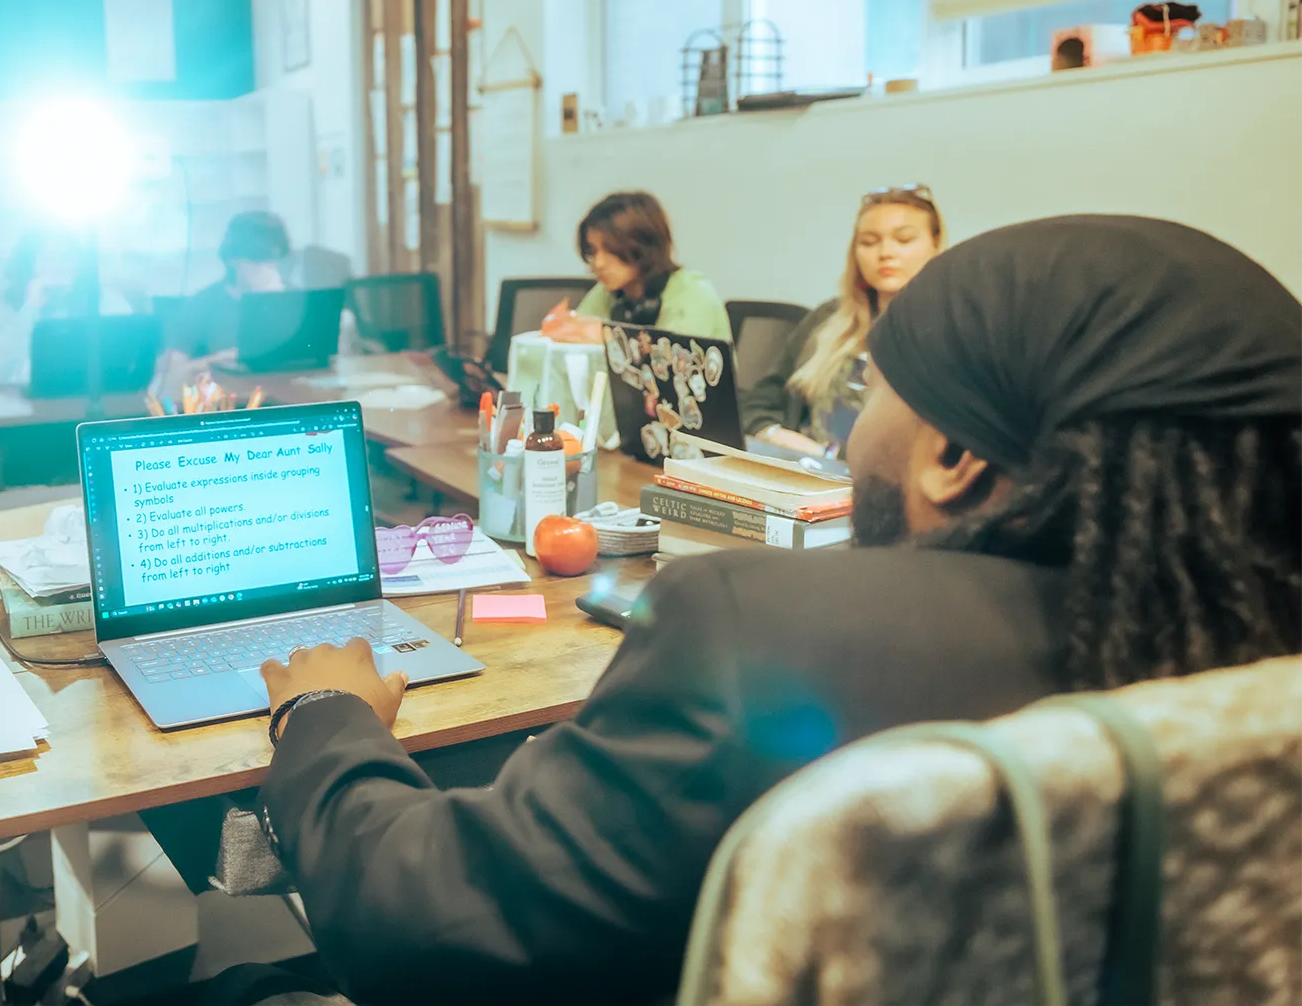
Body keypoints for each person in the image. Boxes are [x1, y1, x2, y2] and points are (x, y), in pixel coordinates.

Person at [251, 215, 1302, 1005]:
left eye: (879, 386)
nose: (854, 428)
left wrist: (327, 719)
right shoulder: (1248, 656)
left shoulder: (755, 631)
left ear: (957, 456)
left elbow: (425, 927)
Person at [743, 184, 944, 458]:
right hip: (801, 474)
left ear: (935, 243)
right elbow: (761, 400)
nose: (885, 252)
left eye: (904, 240)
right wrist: (774, 434)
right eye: (869, 242)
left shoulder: (950, 330)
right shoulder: (828, 318)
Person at [0, 230, 132, 389]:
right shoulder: (3, 308)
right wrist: (29, 309)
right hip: (20, 404)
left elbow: (131, 356)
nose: (57, 267)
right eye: (47, 259)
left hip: (94, 400)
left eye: (66, 258)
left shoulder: (105, 300)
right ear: (28, 265)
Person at [571, 190, 731, 340]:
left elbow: (671, 366)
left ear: (643, 246)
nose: (598, 263)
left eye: (610, 249)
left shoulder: (694, 295)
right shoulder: (606, 294)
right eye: (593, 251)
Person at [168, 211, 293, 362]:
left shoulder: (294, 301)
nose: (266, 270)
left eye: (272, 261)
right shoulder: (201, 305)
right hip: (225, 384)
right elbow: (174, 376)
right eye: (256, 261)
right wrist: (220, 360)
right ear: (232, 260)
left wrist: (275, 302)